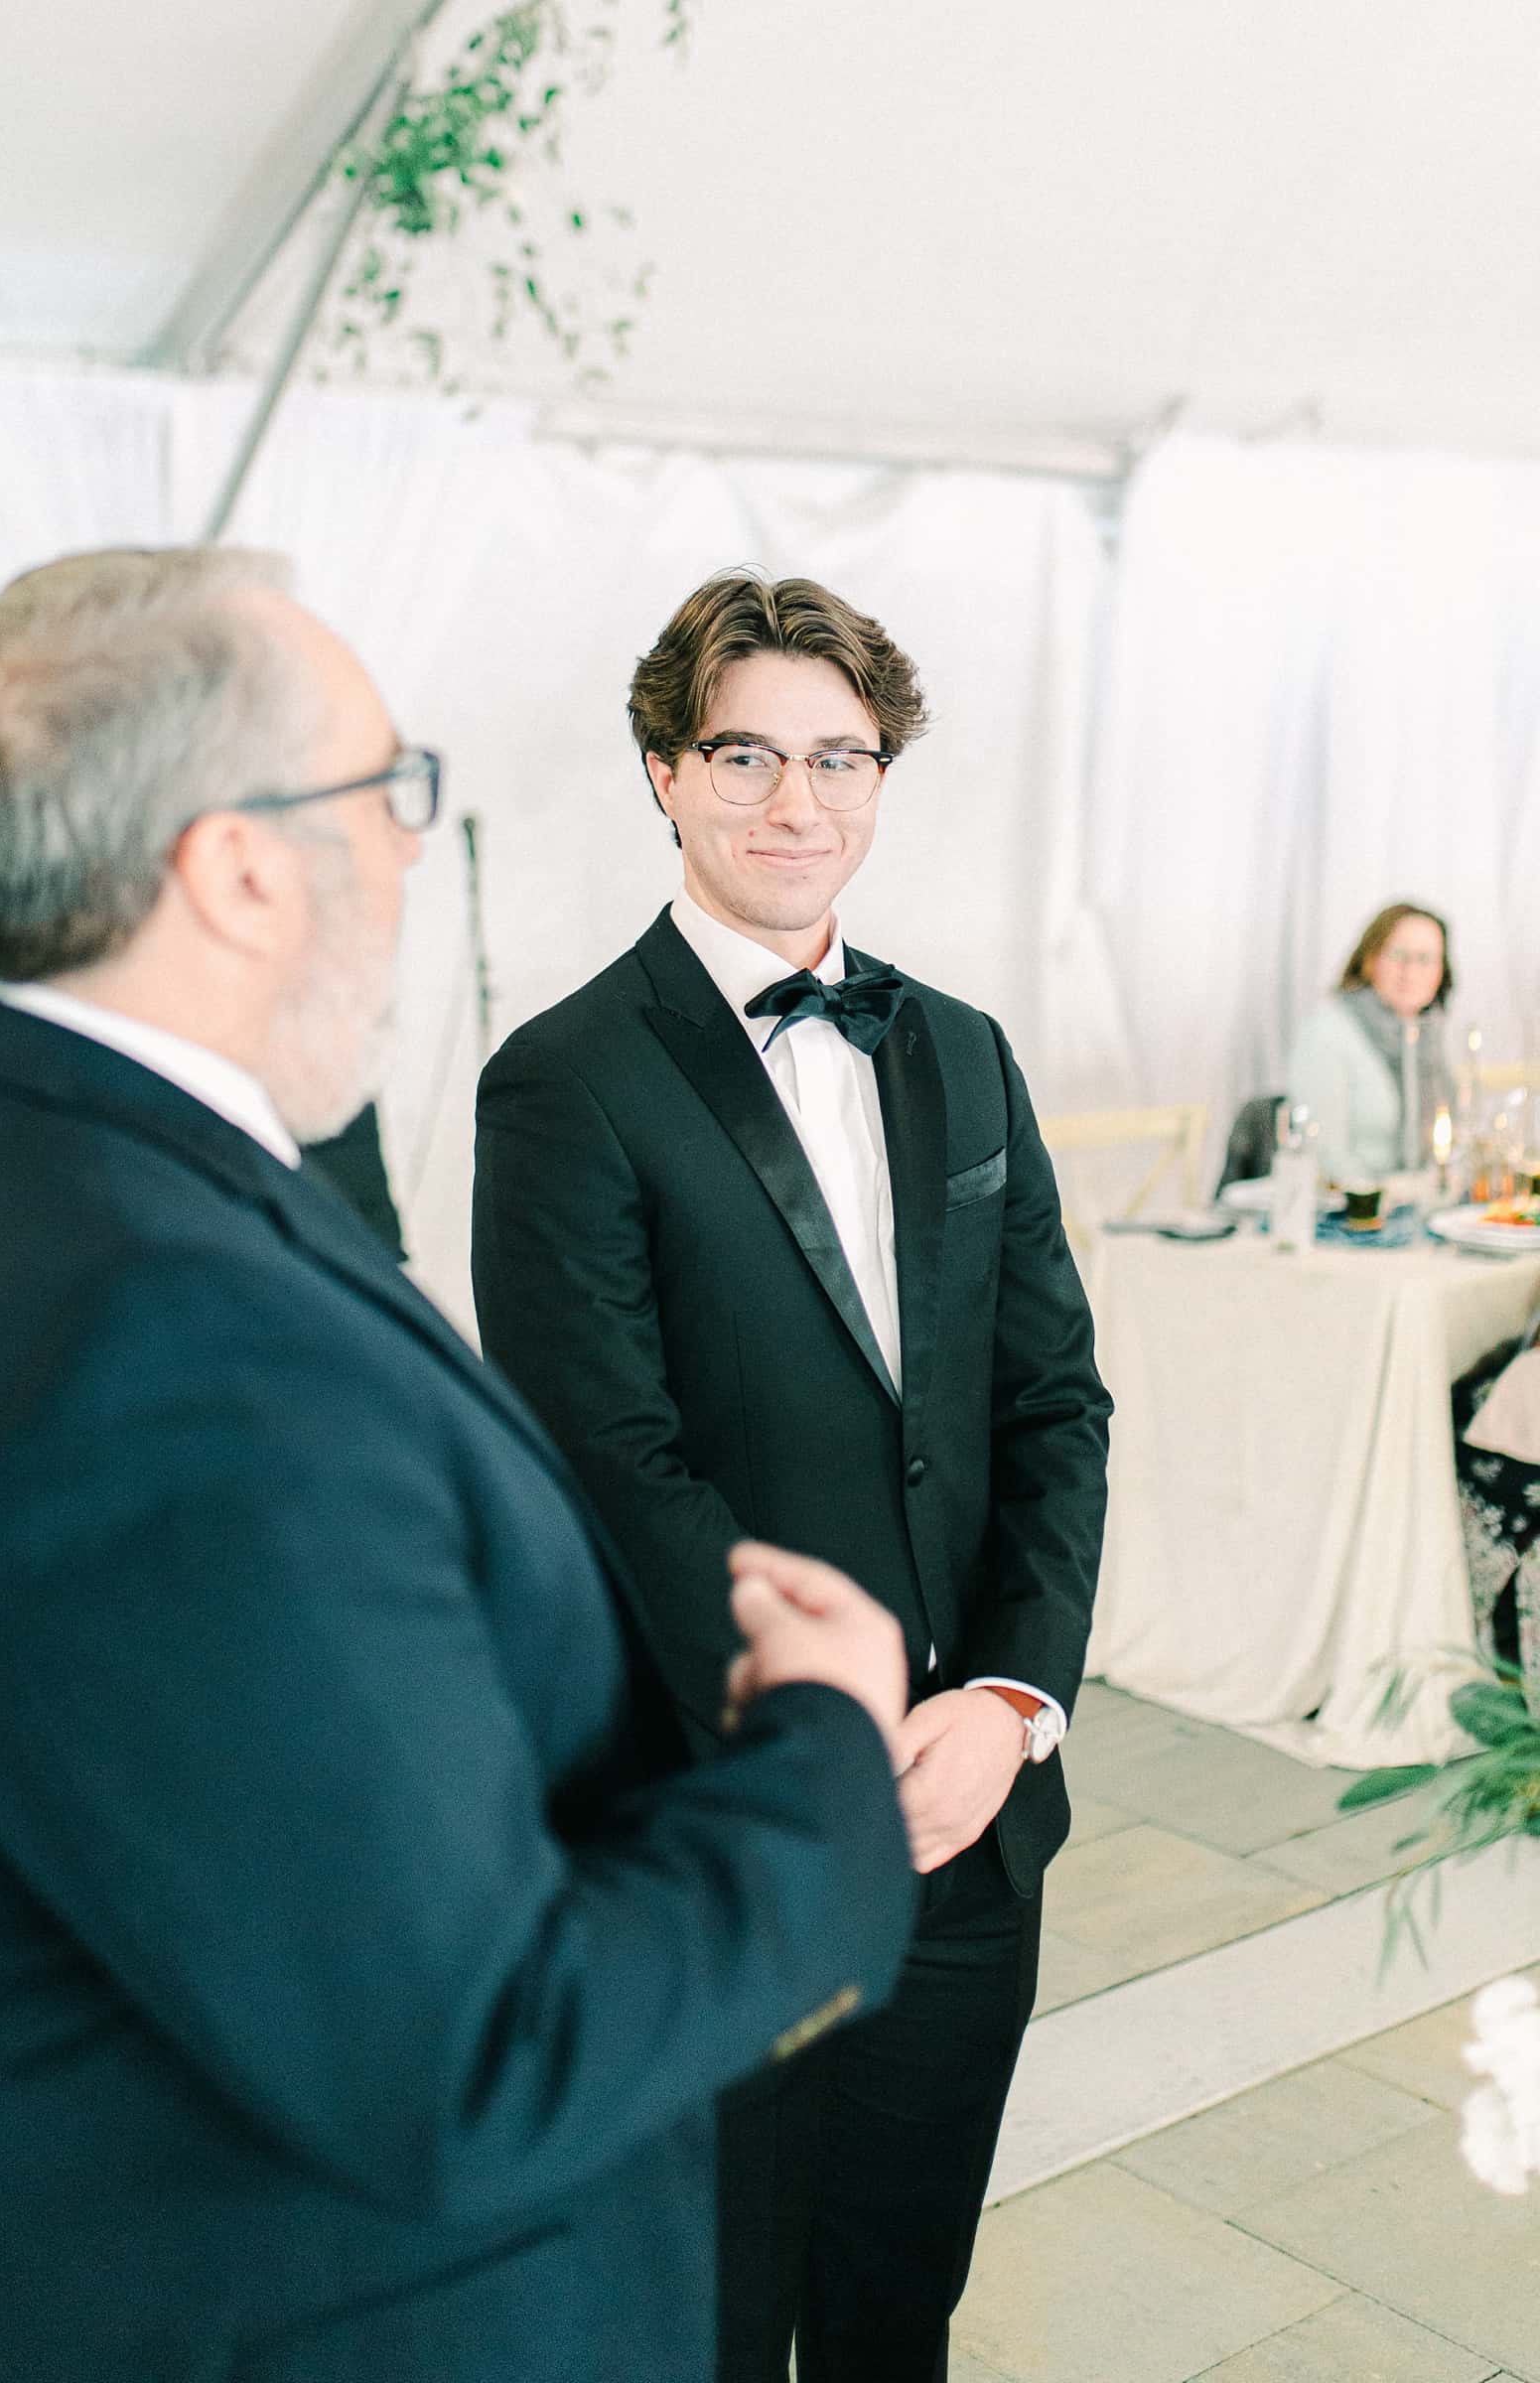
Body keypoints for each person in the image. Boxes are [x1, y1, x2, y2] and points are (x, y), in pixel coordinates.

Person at [0, 547, 921, 2383]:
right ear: (234, 867)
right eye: (387, 794)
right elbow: (472, 2056)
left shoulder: (41, 1165)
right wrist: (824, 1737)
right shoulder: (169, 1341)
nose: (409, 854)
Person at [472, 571, 1111, 2383]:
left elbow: (1054, 1408)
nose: (795, 800)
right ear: (665, 774)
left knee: (900, 2304)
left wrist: (1009, 1697)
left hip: (976, 1819)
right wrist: (835, 1740)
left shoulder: (967, 1052)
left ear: (884, 779)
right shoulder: (564, 1081)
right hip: (722, 1819)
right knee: (712, 2321)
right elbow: (609, 1463)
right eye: (745, 751)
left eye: (840, 757)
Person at [1287, 900, 1454, 1183]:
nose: (1411, 971)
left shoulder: (1428, 1036)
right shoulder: (1328, 1032)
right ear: (1370, 960)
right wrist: (1397, 1194)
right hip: (1351, 1211)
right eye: (1398, 955)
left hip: (1419, 1206)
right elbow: (1323, 1155)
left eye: (1425, 959)